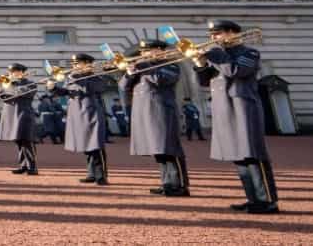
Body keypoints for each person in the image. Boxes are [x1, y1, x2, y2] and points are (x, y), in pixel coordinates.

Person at [194, 19, 279, 214]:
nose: (213, 38)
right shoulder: (219, 56)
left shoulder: (249, 53)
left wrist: (216, 56)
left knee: (253, 154)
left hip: (243, 107)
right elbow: (204, 82)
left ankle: (267, 200)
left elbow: (236, 71)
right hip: (224, 107)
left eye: (218, 33)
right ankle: (253, 198)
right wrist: (200, 64)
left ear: (232, 33)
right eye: (212, 35)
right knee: (238, 155)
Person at [121, 39, 189, 197]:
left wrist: (144, 66)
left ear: (160, 50)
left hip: (162, 111)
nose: (144, 54)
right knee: (158, 150)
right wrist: (129, 73)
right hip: (144, 112)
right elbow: (123, 87)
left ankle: (181, 186)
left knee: (170, 148)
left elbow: (159, 80)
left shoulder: (171, 65)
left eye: (148, 51)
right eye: (143, 52)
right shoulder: (142, 68)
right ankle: (167, 183)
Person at [49, 53, 110, 185]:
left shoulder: (96, 75)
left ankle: (101, 175)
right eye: (74, 64)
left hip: (91, 111)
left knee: (95, 144)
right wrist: (54, 88)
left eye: (78, 63)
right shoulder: (73, 77)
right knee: (85, 143)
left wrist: (78, 77)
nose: (75, 66)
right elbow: (66, 91)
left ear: (88, 63)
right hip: (76, 112)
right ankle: (91, 173)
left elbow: (93, 88)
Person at [0, 63, 38, 175]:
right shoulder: (7, 84)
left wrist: (9, 86)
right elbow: (0, 97)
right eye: (11, 72)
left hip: (23, 114)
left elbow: (23, 93)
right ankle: (23, 165)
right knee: (18, 141)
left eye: (15, 71)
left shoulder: (30, 83)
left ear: (22, 72)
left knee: (26, 141)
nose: (12, 74)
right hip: (10, 114)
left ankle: (32, 167)